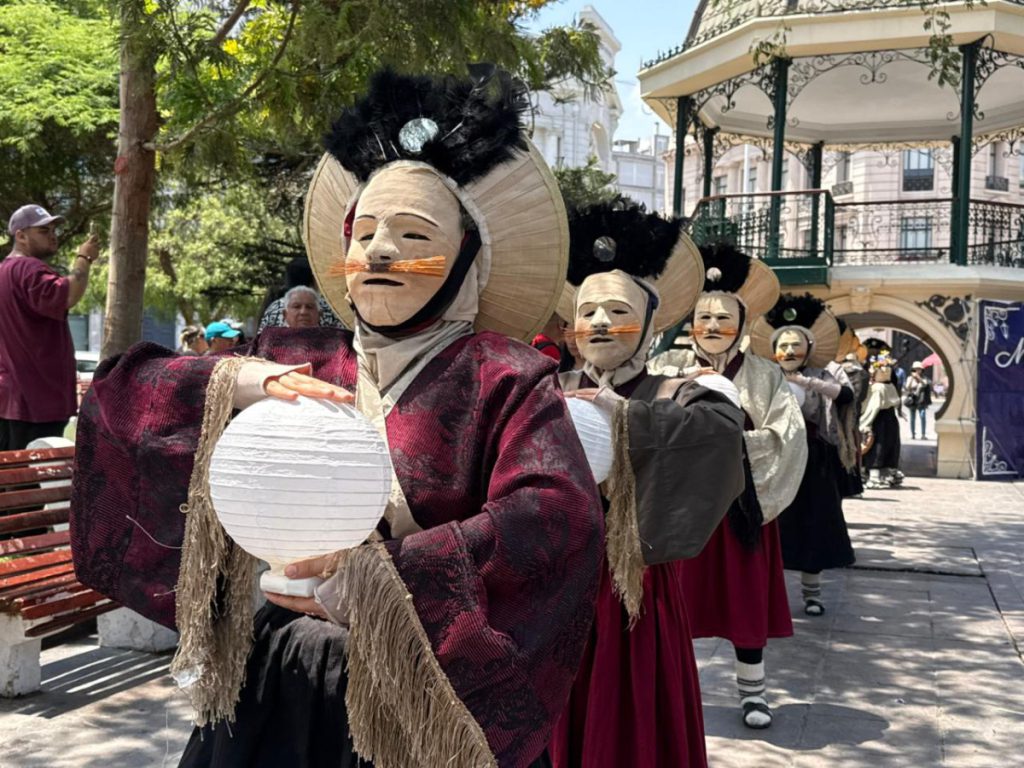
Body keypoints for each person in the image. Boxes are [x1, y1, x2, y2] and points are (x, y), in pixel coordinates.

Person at [70, 67, 603, 768]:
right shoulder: (295, 355)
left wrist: (388, 577)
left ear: (468, 261)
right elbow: (117, 397)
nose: (380, 250)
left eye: (413, 235)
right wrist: (233, 381)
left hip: (422, 690)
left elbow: (556, 517)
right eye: (366, 232)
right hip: (279, 669)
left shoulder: (504, 374)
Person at [550, 202, 746, 768]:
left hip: (633, 596)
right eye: (589, 312)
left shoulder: (679, 391)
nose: (602, 323)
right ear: (572, 328)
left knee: (627, 723)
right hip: (547, 585)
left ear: (652, 328)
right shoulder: (542, 386)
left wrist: (619, 414)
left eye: (618, 310)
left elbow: (720, 437)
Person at [668, 243, 806, 731]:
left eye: (722, 317)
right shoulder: (668, 368)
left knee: (743, 600)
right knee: (674, 601)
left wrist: (729, 446)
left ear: (743, 323)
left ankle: (754, 694)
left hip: (742, 506)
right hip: (680, 511)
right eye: (702, 316)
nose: (711, 326)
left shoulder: (766, 374)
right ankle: (673, 693)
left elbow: (786, 434)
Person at [750, 294, 855, 617]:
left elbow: (847, 395)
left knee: (814, 528)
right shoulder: (765, 375)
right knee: (772, 530)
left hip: (814, 463)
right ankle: (768, 597)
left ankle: (812, 594)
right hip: (775, 461)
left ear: (808, 347)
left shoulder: (823, 375)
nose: (790, 351)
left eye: (796, 345)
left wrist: (807, 382)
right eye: (784, 345)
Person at [0, 205, 100, 451]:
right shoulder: (29, 269)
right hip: (37, 400)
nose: (53, 235)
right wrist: (84, 258)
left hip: (12, 398)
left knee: (10, 482)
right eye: (44, 230)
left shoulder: (4, 271)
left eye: (54, 229)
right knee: (33, 482)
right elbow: (67, 295)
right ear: (21, 236)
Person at [860, 354, 903, 489]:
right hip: (891, 419)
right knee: (890, 446)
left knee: (876, 447)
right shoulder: (890, 386)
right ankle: (890, 474)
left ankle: (874, 477)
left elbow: (873, 408)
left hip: (879, 420)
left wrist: (863, 423)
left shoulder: (878, 388)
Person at [904, 360, 933, 439]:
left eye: (919, 369)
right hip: (912, 400)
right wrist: (912, 379)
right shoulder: (910, 378)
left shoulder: (924, 378)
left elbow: (925, 384)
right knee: (912, 418)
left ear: (921, 370)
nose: (917, 370)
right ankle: (913, 434)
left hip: (921, 400)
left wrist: (918, 378)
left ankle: (923, 434)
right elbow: (907, 387)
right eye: (916, 369)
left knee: (922, 416)